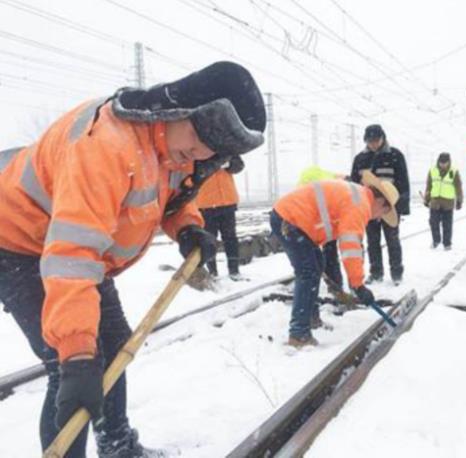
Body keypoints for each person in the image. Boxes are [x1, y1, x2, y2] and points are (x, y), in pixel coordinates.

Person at [0, 61, 266, 457]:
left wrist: (187, 226)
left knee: (111, 349)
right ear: (178, 109)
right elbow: (73, 255)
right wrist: (76, 352)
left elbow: (168, 196)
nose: (196, 153)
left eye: (209, 150)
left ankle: (117, 445)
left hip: (81, 251)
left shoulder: (176, 148)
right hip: (18, 241)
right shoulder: (106, 144)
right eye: (194, 136)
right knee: (72, 369)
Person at [270, 171, 399, 347]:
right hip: (290, 219)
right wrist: (358, 285)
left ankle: (310, 319)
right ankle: (299, 334)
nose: (377, 218)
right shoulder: (360, 204)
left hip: (294, 220)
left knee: (316, 265)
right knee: (307, 272)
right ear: (381, 202)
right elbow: (350, 246)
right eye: (382, 213)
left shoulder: (359, 196)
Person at [350, 124, 410, 285]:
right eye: (370, 141)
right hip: (368, 208)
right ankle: (376, 273)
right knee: (372, 241)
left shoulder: (395, 155)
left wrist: (402, 207)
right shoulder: (360, 159)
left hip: (389, 206)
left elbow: (403, 182)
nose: (373, 144)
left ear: (383, 138)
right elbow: (354, 185)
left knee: (393, 240)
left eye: (376, 140)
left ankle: (397, 273)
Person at [195, 155, 246, 281]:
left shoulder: (226, 150)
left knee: (231, 238)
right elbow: (193, 171)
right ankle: (212, 272)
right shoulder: (197, 152)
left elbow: (239, 165)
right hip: (206, 204)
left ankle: (234, 270)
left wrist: (229, 164)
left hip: (227, 202)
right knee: (210, 240)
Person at [297, 165, 347, 291]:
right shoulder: (334, 185)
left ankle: (331, 283)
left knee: (323, 251)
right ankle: (334, 284)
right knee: (328, 251)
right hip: (320, 214)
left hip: (320, 214)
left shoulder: (325, 181)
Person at [424, 152, 463, 250]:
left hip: (448, 203)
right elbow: (429, 186)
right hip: (435, 202)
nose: (443, 165)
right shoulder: (432, 171)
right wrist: (426, 198)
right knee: (433, 222)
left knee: (447, 225)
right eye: (441, 163)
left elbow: (458, 187)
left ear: (449, 162)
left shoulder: (453, 172)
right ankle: (436, 240)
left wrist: (459, 200)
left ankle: (447, 243)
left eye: (445, 163)